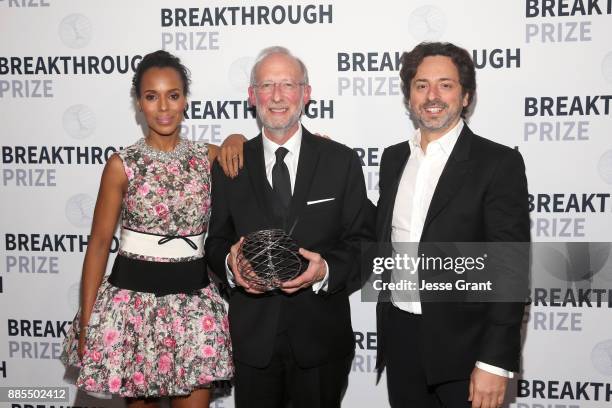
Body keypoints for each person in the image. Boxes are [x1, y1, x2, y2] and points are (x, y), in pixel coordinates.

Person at [61, 50, 245, 407]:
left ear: (185, 100)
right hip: (133, 311)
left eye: (173, 95)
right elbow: (99, 244)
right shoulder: (121, 165)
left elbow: (263, 161)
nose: (163, 106)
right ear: (139, 105)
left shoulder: (209, 158)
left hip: (194, 310)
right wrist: (87, 322)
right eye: (151, 96)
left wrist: (236, 137)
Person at [205, 46, 372, 408]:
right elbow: (214, 242)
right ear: (252, 96)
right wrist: (231, 267)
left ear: (306, 93)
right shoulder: (230, 165)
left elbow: (363, 241)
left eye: (287, 84)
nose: (277, 96)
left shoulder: (340, 161)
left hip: (322, 341)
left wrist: (326, 269)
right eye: (266, 85)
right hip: (253, 344)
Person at [375, 42, 530, 408]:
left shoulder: (498, 163)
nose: (432, 95)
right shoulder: (393, 158)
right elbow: (380, 231)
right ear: (409, 96)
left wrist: (495, 360)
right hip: (402, 340)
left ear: (465, 97)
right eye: (421, 84)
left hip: (468, 350)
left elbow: (510, 268)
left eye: (445, 84)